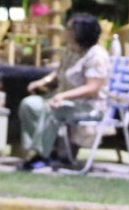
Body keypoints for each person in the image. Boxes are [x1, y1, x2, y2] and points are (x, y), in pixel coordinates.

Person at [18, 12, 109, 171]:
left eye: (69, 29)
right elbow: (59, 71)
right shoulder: (71, 50)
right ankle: (41, 149)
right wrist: (43, 82)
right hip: (64, 100)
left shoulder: (97, 56)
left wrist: (63, 95)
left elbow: (92, 88)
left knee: (51, 109)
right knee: (29, 104)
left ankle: (40, 155)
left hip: (89, 106)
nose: (65, 32)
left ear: (81, 32)